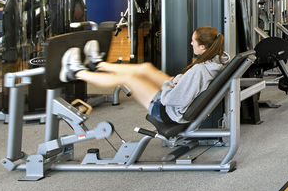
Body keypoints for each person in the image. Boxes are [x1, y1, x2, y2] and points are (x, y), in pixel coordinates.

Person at [59, 26, 228, 125]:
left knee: (128, 79)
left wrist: (169, 85)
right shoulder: (214, 62)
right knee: (146, 68)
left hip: (167, 111)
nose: (191, 43)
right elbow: (187, 86)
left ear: (204, 47)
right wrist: (175, 82)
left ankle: (76, 72)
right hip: (178, 96)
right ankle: (98, 65)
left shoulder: (200, 71)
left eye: (194, 41)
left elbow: (170, 100)